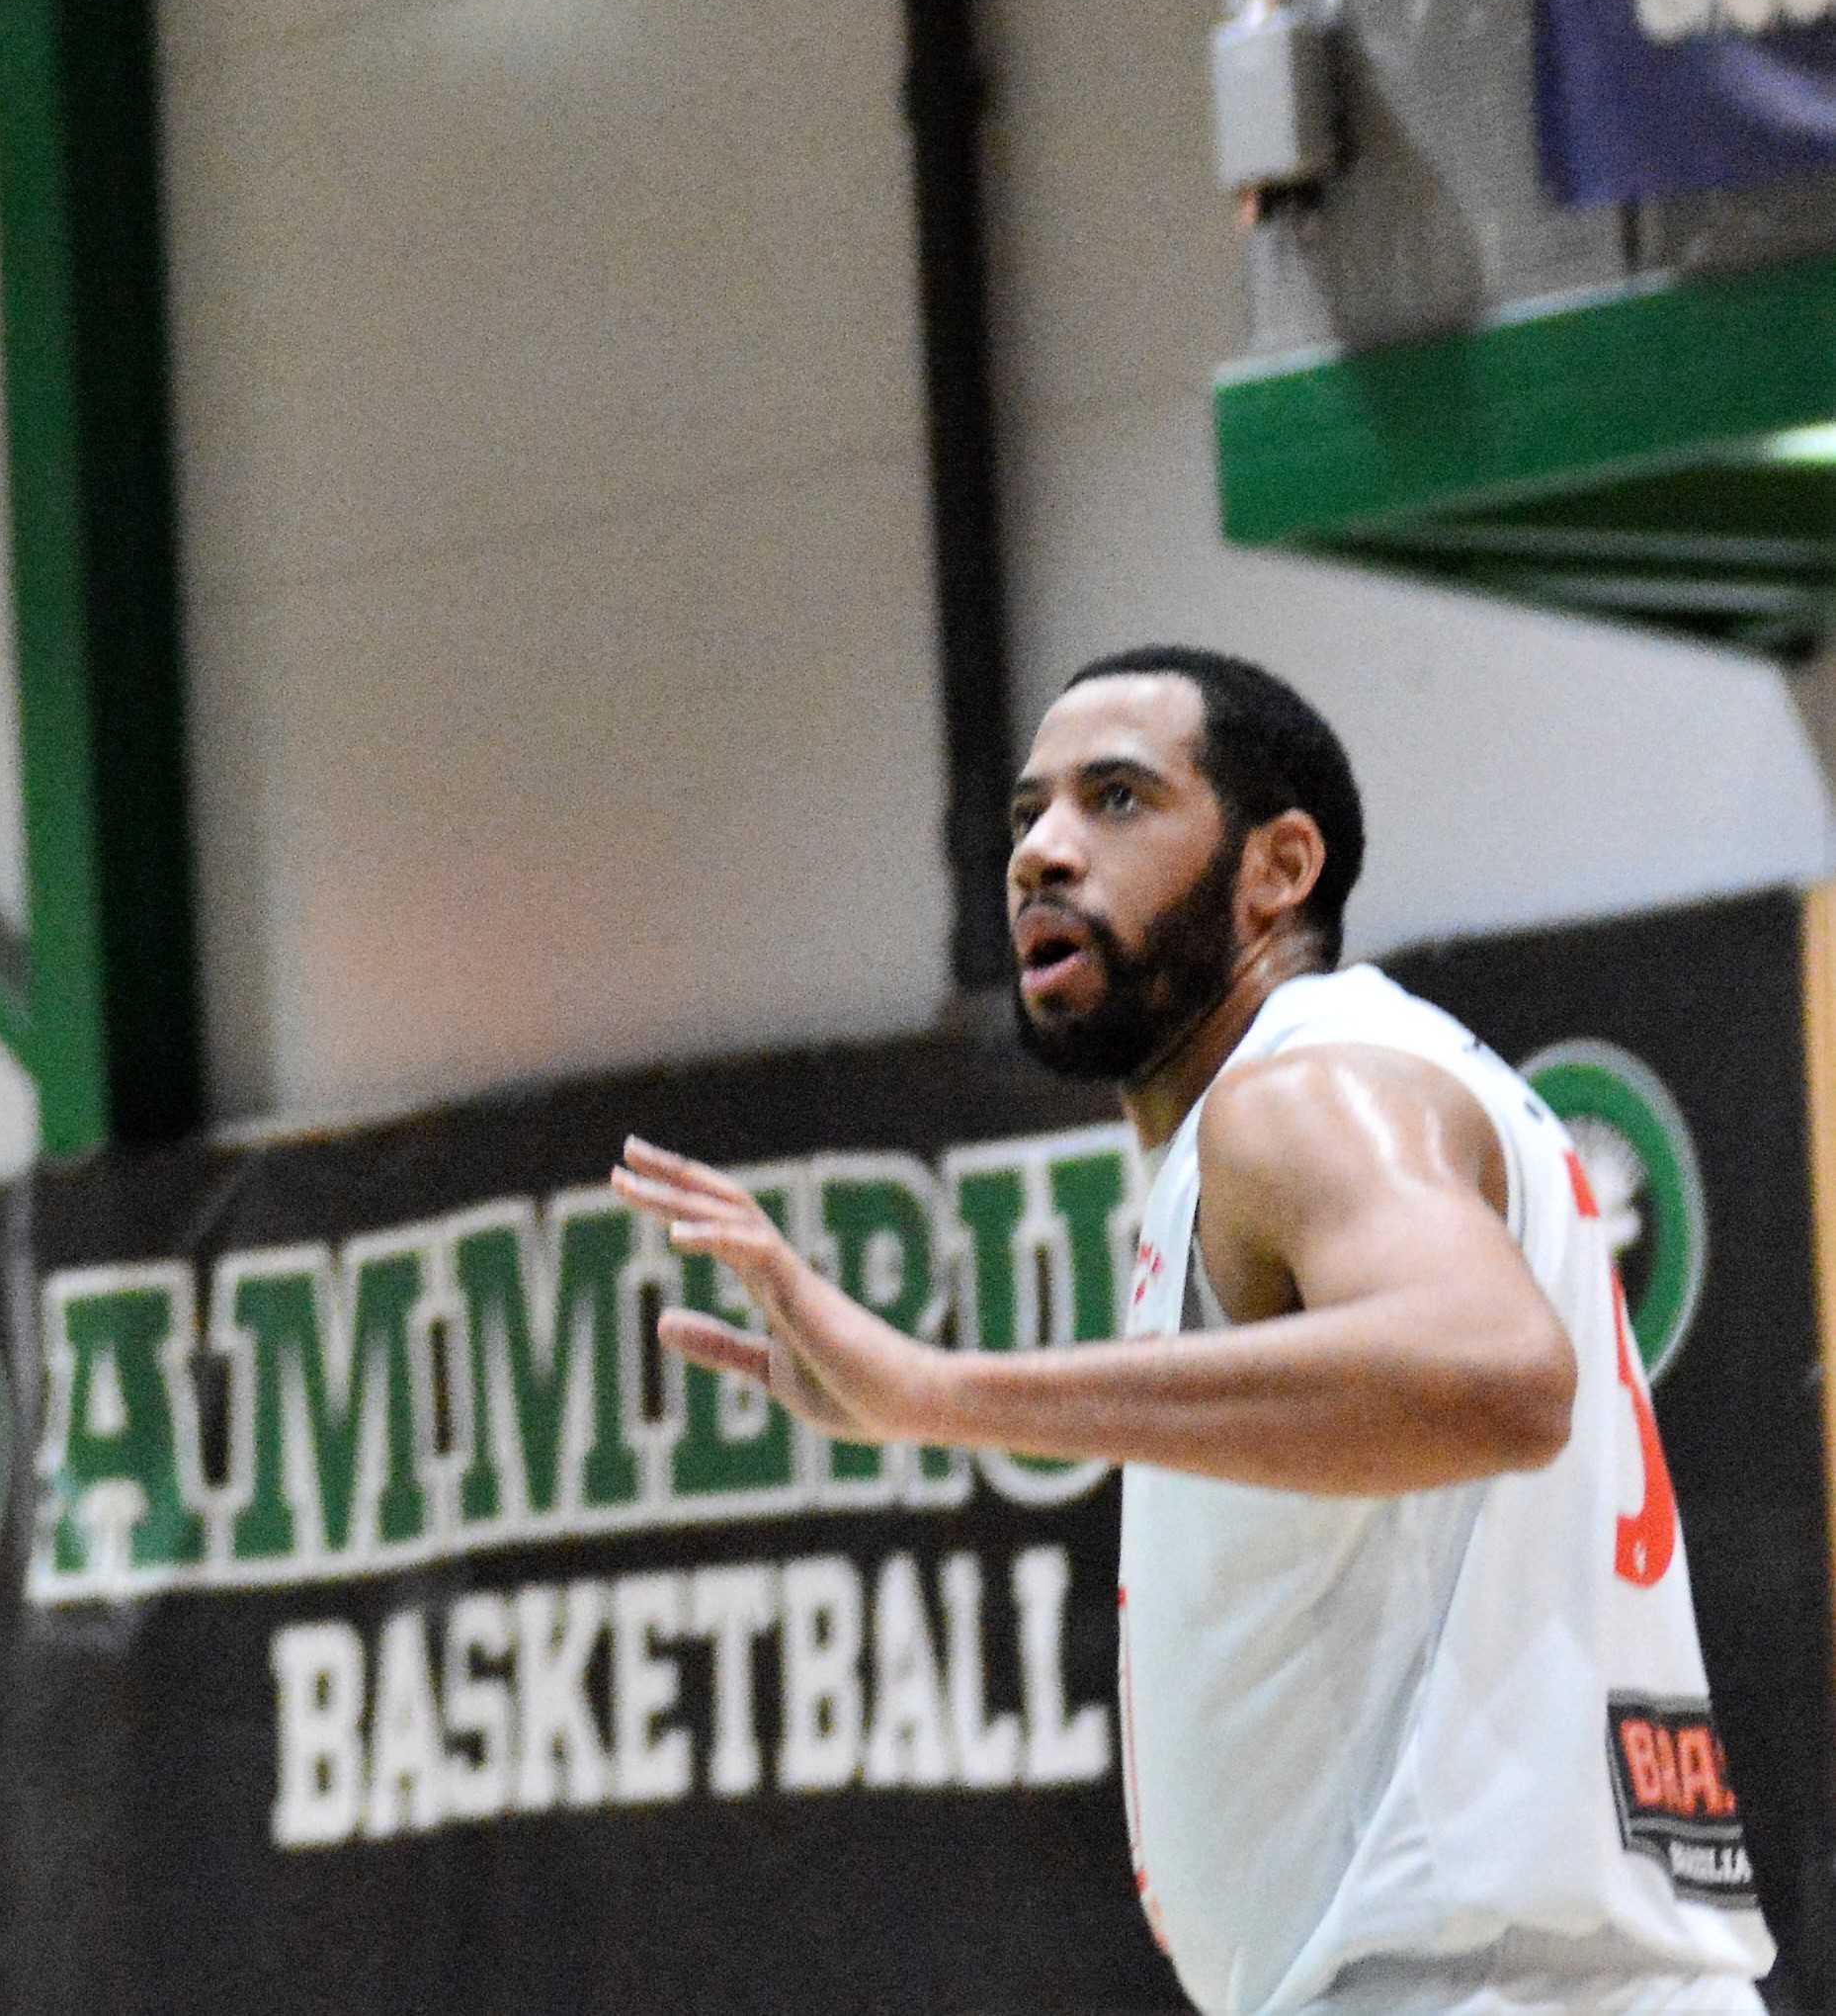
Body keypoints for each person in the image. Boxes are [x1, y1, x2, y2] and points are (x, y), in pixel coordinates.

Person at [622, 649, 1773, 2016]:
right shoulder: (1353, 1086)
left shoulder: (1300, 1092)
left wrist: (936, 1389)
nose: (1041, 852)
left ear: (1275, 867)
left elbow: (1495, 1378)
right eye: (1023, 815)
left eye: (1114, 799)